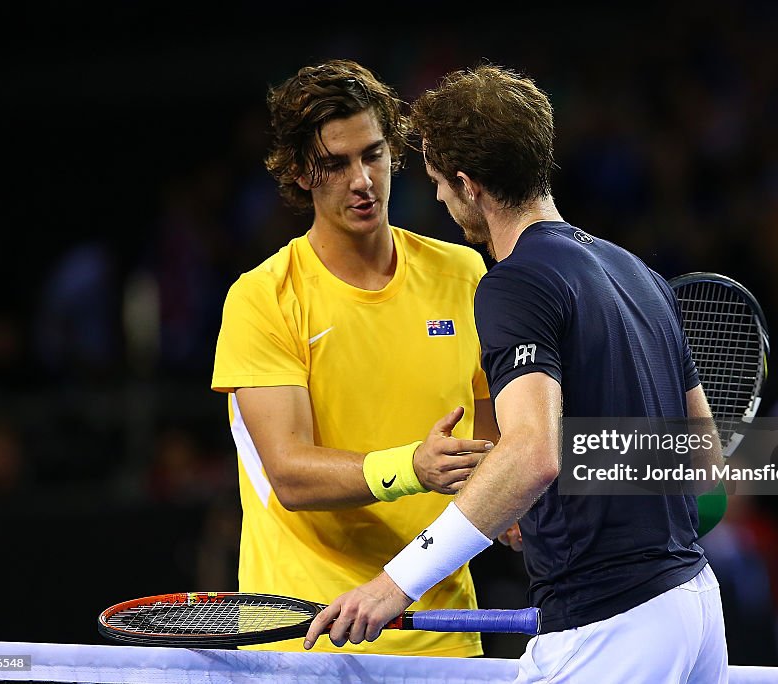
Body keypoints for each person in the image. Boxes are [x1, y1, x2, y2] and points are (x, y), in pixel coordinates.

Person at [305, 64, 729, 683]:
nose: (443, 202)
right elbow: (705, 466)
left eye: (440, 185)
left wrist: (395, 585)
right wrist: (553, 510)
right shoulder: (636, 271)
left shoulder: (513, 284)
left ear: (468, 184)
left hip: (609, 626)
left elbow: (533, 453)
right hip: (694, 609)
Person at [211, 59, 497, 657]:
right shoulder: (263, 298)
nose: (362, 180)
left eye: (372, 154)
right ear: (299, 174)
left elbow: (493, 448)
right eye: (335, 164)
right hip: (304, 640)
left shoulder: (464, 273)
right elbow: (289, 473)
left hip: (441, 642)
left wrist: (520, 510)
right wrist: (412, 469)